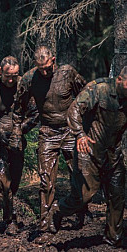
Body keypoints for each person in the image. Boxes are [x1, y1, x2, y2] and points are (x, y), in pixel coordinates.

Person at [10, 46, 87, 242]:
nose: (44, 72)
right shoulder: (29, 78)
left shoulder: (67, 73)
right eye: (40, 68)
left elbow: (85, 97)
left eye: (47, 67)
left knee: (78, 174)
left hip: (70, 129)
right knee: (45, 180)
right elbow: (18, 108)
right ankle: (45, 224)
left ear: (54, 60)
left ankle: (79, 210)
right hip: (47, 132)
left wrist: (83, 129)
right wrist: (17, 132)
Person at [50, 67, 127, 248]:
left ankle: (112, 239)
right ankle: (57, 210)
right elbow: (74, 110)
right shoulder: (99, 88)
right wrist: (80, 134)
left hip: (113, 153)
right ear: (119, 80)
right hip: (89, 150)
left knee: (117, 196)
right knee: (83, 197)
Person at [0, 56, 38, 231]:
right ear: (0, 71)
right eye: (7, 76)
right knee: (5, 182)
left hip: (16, 139)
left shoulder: (23, 86)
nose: (11, 80)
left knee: (14, 183)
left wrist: (20, 130)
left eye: (15, 75)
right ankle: (10, 220)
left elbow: (34, 113)